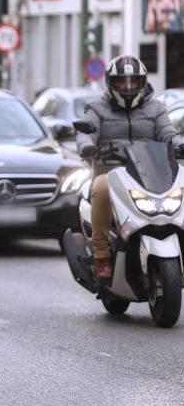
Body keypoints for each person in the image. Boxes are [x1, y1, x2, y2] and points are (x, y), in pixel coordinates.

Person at [76, 55, 184, 285]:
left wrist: (178, 144)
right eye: (122, 82)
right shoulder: (96, 107)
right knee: (100, 188)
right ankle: (102, 256)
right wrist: (86, 146)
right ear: (110, 83)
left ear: (142, 82)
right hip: (112, 170)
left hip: (150, 172)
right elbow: (86, 131)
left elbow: (167, 133)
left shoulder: (156, 107)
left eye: (133, 82)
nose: (127, 87)